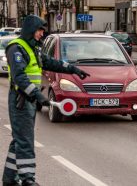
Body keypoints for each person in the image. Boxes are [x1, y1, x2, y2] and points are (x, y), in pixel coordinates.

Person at [2, 15, 90, 186]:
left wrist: (73, 69)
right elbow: (19, 77)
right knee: (25, 141)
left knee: (19, 140)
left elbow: (50, 63)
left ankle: (9, 179)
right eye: (39, 30)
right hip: (21, 100)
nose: (42, 34)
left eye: (43, 31)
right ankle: (28, 180)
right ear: (30, 30)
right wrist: (38, 95)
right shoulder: (16, 49)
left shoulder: (33, 48)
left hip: (28, 100)